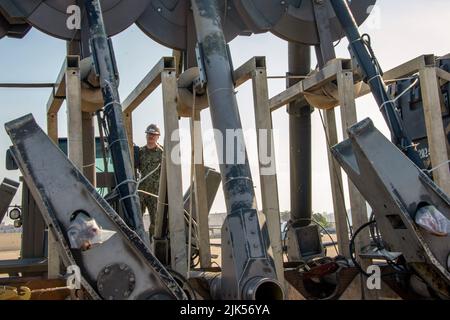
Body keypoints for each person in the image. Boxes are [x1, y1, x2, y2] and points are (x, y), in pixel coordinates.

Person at [137, 124, 163, 240]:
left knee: (156, 223)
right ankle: (138, 242)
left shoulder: (162, 153)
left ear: (158, 137)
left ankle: (154, 246)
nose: (150, 136)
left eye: (153, 135)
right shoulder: (140, 152)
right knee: (136, 218)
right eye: (149, 134)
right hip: (142, 192)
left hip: (156, 193)